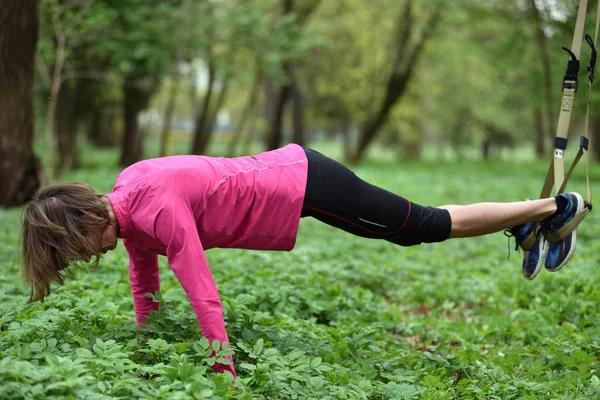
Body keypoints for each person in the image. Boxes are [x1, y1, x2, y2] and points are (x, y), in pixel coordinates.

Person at [20, 143, 590, 376]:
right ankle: (526, 218)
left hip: (306, 183)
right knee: (419, 227)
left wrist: (223, 372)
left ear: (87, 222)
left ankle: (551, 207)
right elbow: (144, 279)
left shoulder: (158, 208)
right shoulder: (126, 201)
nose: (77, 259)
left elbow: (201, 289)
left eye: (71, 249)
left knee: (422, 226)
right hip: (296, 178)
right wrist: (146, 348)